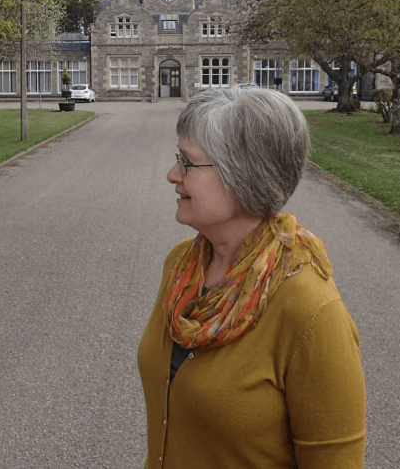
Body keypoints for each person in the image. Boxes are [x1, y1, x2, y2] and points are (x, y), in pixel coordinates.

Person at [137, 86, 366, 468]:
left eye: (188, 163)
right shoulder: (181, 267)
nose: (172, 174)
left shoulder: (310, 310)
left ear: (243, 174)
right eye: (178, 158)